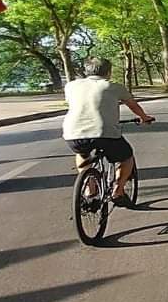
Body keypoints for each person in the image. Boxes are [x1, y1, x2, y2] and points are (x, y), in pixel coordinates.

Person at [63, 57, 153, 207]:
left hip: (73, 134)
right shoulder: (114, 86)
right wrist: (144, 118)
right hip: (105, 134)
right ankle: (118, 191)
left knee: (82, 154)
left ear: (86, 71)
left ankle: (89, 188)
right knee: (126, 157)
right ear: (109, 72)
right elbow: (133, 105)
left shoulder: (71, 86)